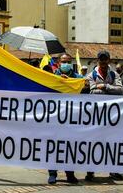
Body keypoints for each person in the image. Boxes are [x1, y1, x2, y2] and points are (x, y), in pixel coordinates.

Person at [86, 50, 123, 181]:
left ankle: (113, 170)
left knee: (112, 143)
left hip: (111, 116)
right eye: (101, 59)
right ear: (97, 60)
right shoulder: (91, 75)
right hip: (95, 115)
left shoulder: (114, 74)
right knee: (93, 143)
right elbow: (91, 91)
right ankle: (90, 171)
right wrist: (106, 90)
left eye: (105, 59)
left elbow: (120, 90)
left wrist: (104, 86)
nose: (103, 62)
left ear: (109, 60)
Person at [47, 54, 80, 185]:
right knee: (53, 147)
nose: (66, 64)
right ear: (59, 63)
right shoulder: (53, 76)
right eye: (63, 61)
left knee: (70, 147)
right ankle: (52, 174)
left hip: (71, 118)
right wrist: (58, 81)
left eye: (68, 62)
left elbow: (86, 88)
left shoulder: (77, 77)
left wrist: (70, 82)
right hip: (55, 117)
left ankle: (70, 174)